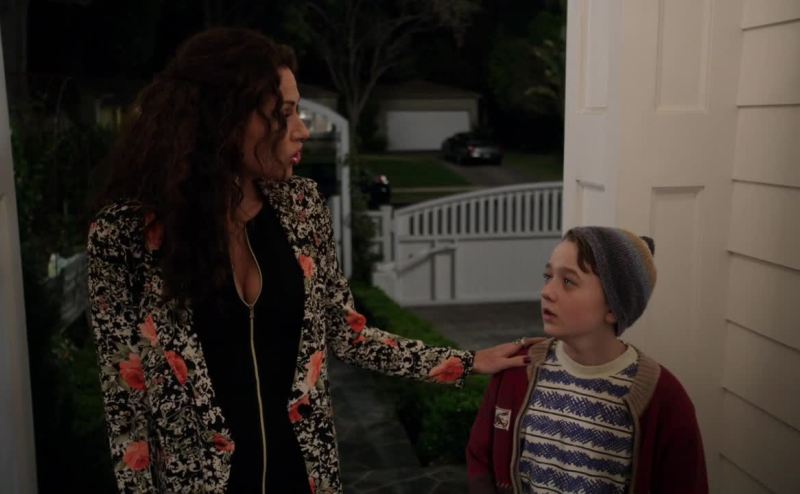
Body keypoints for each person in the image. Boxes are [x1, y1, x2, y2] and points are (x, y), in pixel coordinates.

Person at [88, 27, 529, 494]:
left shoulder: (301, 207)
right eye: (284, 113)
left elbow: (347, 333)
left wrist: (467, 361)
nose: (301, 129)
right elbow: (125, 404)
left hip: (302, 477)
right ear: (225, 118)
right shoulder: (125, 236)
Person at [466, 227, 708, 493]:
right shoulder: (516, 370)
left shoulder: (665, 398)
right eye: (548, 276)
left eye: (568, 281)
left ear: (613, 308)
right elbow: (480, 458)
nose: (547, 291)